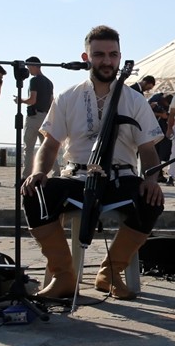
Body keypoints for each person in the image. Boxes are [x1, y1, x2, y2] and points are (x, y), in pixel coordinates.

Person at [21, 25, 164, 301]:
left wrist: (152, 180)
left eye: (112, 55)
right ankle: (64, 275)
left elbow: (147, 150)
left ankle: (110, 272)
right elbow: (50, 145)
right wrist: (38, 172)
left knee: (151, 200)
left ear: (120, 57)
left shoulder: (134, 100)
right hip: (77, 177)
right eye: (99, 55)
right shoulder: (67, 97)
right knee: (34, 193)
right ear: (86, 58)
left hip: (119, 179)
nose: (107, 61)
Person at [18, 57, 54, 179]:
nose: (28, 70)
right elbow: (51, 102)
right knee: (48, 147)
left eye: (29, 67)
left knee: (28, 148)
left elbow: (32, 100)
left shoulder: (34, 81)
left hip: (34, 117)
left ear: (34, 66)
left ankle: (26, 175)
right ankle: (56, 173)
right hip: (45, 116)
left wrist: (20, 100)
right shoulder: (49, 82)